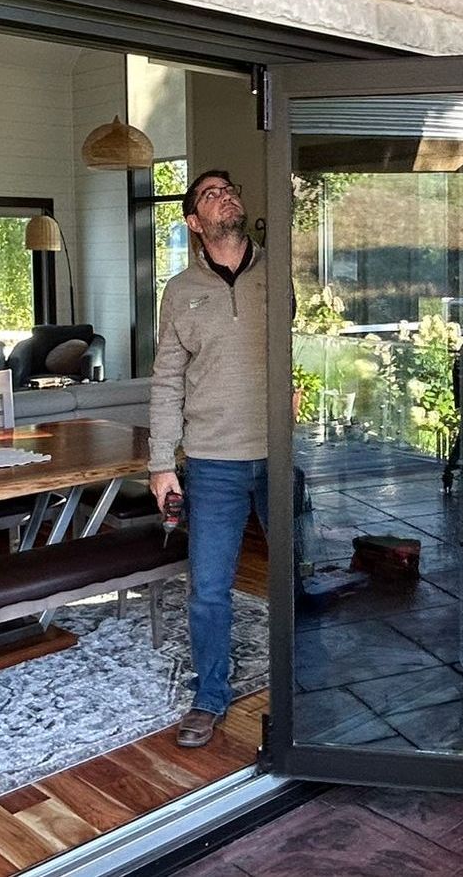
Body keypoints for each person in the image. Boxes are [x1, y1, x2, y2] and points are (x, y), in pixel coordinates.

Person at [148, 169, 266, 748]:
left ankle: (308, 688)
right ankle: (210, 695)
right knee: (210, 588)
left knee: (299, 576)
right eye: (210, 194)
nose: (225, 195)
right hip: (214, 461)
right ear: (195, 223)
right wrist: (161, 463)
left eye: (229, 188)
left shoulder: (279, 273)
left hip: (281, 455)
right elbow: (167, 381)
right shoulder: (180, 291)